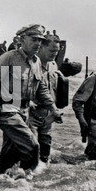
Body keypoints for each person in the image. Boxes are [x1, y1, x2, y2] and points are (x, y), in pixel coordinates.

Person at [0, 24, 62, 176]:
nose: (38, 43)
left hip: (23, 111)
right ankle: (26, 180)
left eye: (40, 40)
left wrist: (53, 109)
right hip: (7, 110)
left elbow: (41, 88)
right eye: (34, 39)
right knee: (32, 145)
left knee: (11, 152)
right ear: (21, 40)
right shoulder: (8, 58)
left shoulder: (36, 62)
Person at [29, 34, 64, 163]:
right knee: (30, 150)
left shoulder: (53, 65)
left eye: (57, 51)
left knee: (45, 153)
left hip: (48, 115)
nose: (54, 54)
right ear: (42, 47)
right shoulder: (31, 65)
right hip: (32, 114)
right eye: (52, 51)